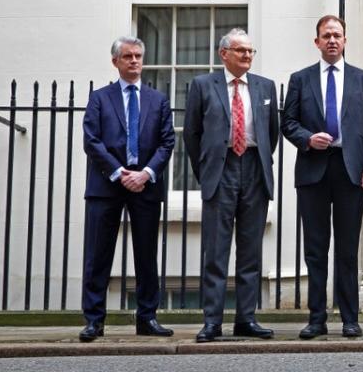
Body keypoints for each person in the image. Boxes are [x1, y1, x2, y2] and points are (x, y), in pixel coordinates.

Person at [281, 15, 363, 339]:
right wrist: (307, 139)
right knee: (315, 248)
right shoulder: (300, 79)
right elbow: (288, 122)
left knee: (348, 249)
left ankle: (350, 318)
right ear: (317, 42)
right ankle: (316, 319)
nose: (332, 40)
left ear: (345, 40)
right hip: (314, 169)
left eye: (337, 35)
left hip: (350, 171)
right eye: (326, 36)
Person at [183, 29, 280, 343]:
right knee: (216, 249)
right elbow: (192, 134)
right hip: (221, 168)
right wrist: (207, 171)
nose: (247, 56)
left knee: (250, 250)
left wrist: (260, 161)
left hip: (253, 167)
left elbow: (272, 134)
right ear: (223, 54)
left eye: (251, 51)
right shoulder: (202, 86)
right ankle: (212, 321)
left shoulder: (265, 87)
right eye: (241, 51)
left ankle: (246, 319)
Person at [79, 36, 175, 342]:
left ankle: (147, 317)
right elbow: (91, 140)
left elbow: (167, 142)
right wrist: (120, 173)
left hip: (145, 186)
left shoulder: (157, 99)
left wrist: (145, 174)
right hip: (107, 184)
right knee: (98, 254)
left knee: (146, 254)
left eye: (138, 56)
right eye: (127, 56)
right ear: (115, 62)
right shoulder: (100, 98)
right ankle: (94, 320)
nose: (134, 61)